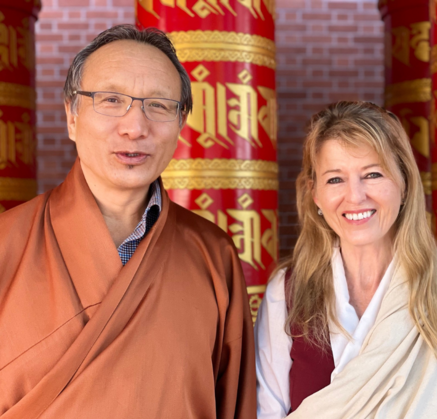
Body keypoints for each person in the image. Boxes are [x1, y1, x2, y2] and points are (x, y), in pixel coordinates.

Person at [0, 25, 256, 418]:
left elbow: (235, 405)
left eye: (158, 105)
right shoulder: (7, 243)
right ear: (72, 114)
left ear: (180, 123)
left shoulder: (212, 254)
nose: (135, 127)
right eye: (111, 99)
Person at [254, 101, 437, 419]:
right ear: (315, 194)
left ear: (404, 182)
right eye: (335, 179)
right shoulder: (287, 291)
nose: (355, 196)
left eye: (372, 174)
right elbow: (266, 412)